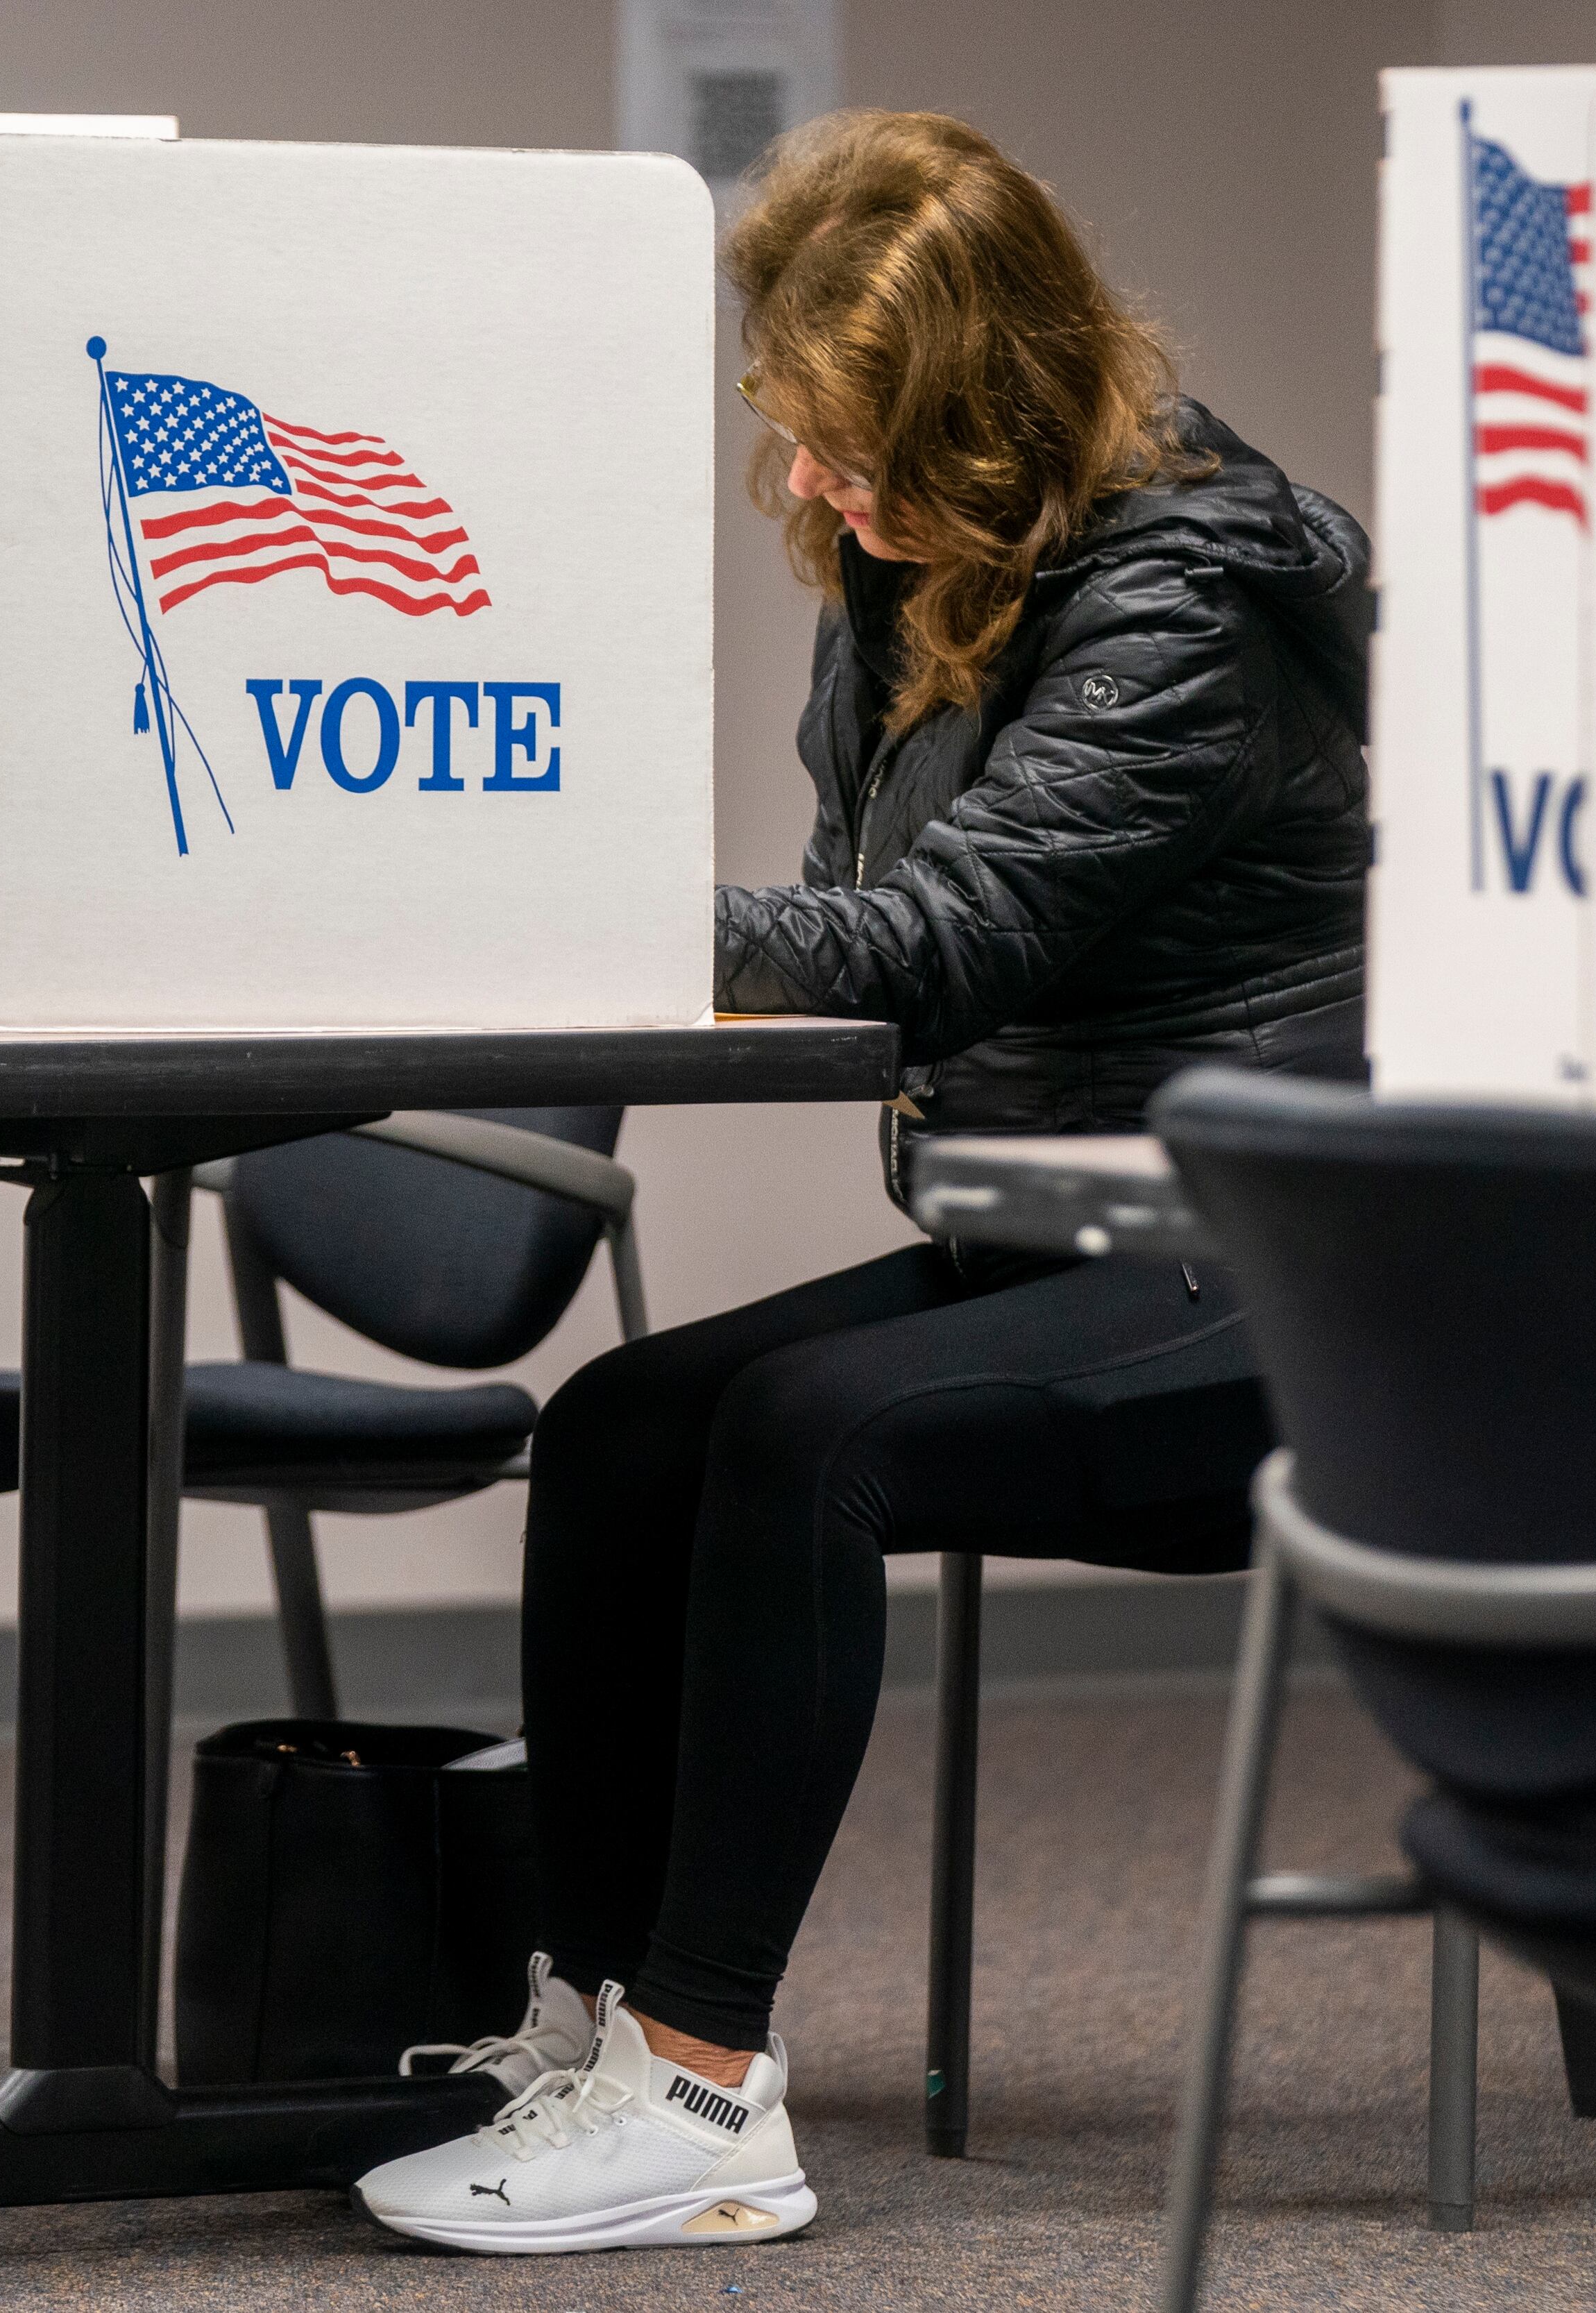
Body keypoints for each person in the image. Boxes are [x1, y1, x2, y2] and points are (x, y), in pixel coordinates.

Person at [353, 109, 1369, 2255]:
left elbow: (930, 945)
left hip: (1277, 1275)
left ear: (995, 416)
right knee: (624, 1425)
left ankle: (703, 2090)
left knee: (809, 1437)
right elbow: (848, 927)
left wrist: (547, 898)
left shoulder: (1183, 603)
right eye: (803, 434)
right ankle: (602, 2030)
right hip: (1061, 1237)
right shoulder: (919, 573)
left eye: (856, 444)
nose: (813, 482)